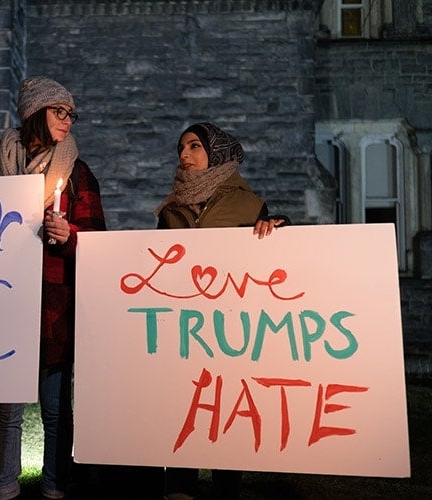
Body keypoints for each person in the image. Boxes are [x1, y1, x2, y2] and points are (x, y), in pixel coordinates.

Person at [0, 76, 106, 500]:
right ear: (36, 111)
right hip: (3, 300)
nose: (68, 121)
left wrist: (69, 234)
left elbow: (98, 240)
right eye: (59, 111)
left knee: (55, 408)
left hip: (53, 302)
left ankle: (55, 486)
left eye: (71, 114)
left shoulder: (76, 173)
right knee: (7, 408)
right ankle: (4, 487)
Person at [155, 122, 289, 500]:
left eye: (194, 146)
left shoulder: (248, 204)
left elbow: (282, 254)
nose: (184, 155)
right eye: (181, 148)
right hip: (183, 329)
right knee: (184, 405)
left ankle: (226, 486)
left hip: (229, 331)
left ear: (218, 154)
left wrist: (278, 226)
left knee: (225, 407)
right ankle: (178, 485)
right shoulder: (171, 210)